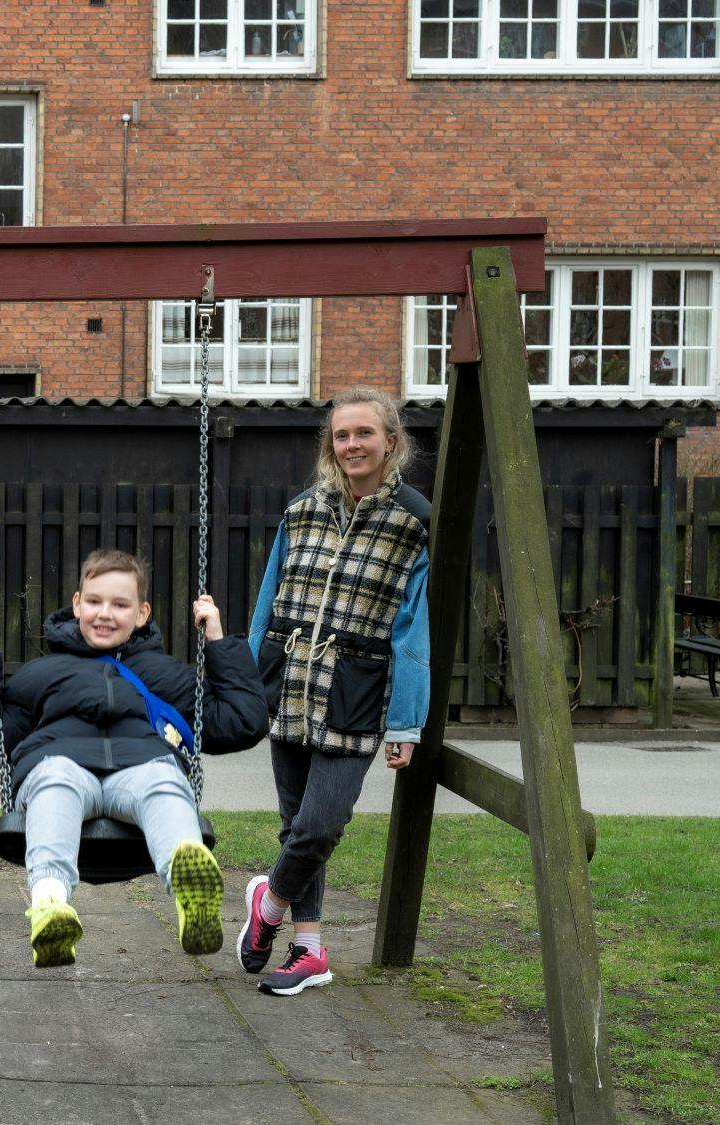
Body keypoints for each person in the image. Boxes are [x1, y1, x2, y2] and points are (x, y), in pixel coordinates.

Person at [0, 549, 268, 967]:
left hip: (139, 769)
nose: (106, 614)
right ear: (77, 603)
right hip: (61, 764)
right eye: (96, 601)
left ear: (141, 613)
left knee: (163, 780)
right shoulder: (42, 674)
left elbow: (242, 721)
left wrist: (216, 639)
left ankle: (191, 885)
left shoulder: (163, 675)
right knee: (55, 780)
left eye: (120, 605)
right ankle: (51, 904)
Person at [240, 388, 431, 996]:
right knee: (294, 823)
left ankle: (268, 906)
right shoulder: (301, 511)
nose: (352, 445)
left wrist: (405, 723)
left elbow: (412, 628)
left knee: (321, 825)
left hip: (356, 690)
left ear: (390, 442)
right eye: (341, 435)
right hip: (291, 682)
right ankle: (310, 950)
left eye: (364, 434)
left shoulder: (414, 522)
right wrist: (244, 686)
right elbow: (266, 604)